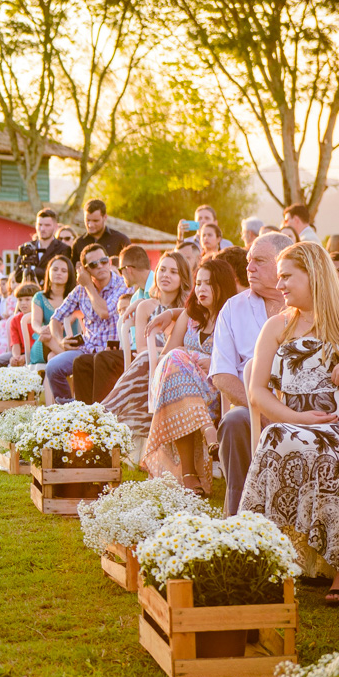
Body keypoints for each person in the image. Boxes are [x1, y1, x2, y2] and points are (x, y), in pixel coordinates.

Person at [240, 241, 339, 603]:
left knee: (329, 454)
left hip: (336, 426)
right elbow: (257, 392)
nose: (278, 284)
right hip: (293, 422)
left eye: (286, 277)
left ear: (313, 275)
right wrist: (298, 418)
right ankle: (261, 555)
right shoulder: (277, 326)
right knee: (277, 437)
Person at [206, 232, 295, 515]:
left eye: (259, 261)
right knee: (233, 422)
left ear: (283, 262)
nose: (249, 268)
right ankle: (238, 519)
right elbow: (222, 375)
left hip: (306, 404)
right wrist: (265, 410)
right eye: (248, 261)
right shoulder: (233, 308)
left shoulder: (310, 304)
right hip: (251, 406)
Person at [143, 258, 239, 493]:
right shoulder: (190, 315)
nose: (201, 289)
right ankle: (207, 430)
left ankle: (189, 474)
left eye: (209, 284)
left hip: (214, 390)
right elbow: (167, 357)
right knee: (177, 357)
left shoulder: (233, 317)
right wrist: (191, 358)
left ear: (223, 285)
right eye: (198, 283)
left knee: (179, 364)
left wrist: (214, 362)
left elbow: (240, 360)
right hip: (178, 386)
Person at [101, 250, 192, 424]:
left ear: (183, 278)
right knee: (145, 358)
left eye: (173, 272)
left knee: (145, 359)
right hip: (149, 363)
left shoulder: (188, 311)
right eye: (162, 270)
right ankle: (109, 412)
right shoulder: (145, 306)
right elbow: (142, 347)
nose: (166, 275)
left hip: (176, 367)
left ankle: (104, 411)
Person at [45, 244, 128, 403]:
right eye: (94, 264)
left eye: (103, 261)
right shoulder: (80, 290)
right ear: (85, 270)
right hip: (87, 348)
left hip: (112, 351)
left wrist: (88, 285)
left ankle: (85, 409)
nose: (100, 266)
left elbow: (104, 312)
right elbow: (55, 318)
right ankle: (69, 410)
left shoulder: (121, 284)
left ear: (109, 262)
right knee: (53, 368)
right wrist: (60, 340)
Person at [32, 254, 78, 361]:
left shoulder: (76, 297)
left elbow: (65, 323)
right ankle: (74, 361)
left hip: (70, 343)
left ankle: (70, 359)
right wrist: (41, 330)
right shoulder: (39, 297)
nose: (59, 273)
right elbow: (35, 322)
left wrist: (54, 330)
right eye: (55, 269)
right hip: (45, 342)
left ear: (69, 275)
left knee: (53, 357)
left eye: (63, 271)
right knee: (47, 337)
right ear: (48, 272)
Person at [0, 283, 39, 368]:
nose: (23, 303)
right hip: (21, 352)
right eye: (20, 300)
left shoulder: (41, 317)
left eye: (27, 299)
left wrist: (26, 357)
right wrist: (16, 358)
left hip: (38, 353)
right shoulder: (15, 320)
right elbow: (15, 344)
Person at [18, 208, 72, 276]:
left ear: (55, 227)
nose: (42, 229)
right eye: (40, 225)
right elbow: (18, 275)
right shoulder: (27, 247)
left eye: (47, 225)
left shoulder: (63, 249)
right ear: (35, 225)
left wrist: (32, 270)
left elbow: (60, 274)